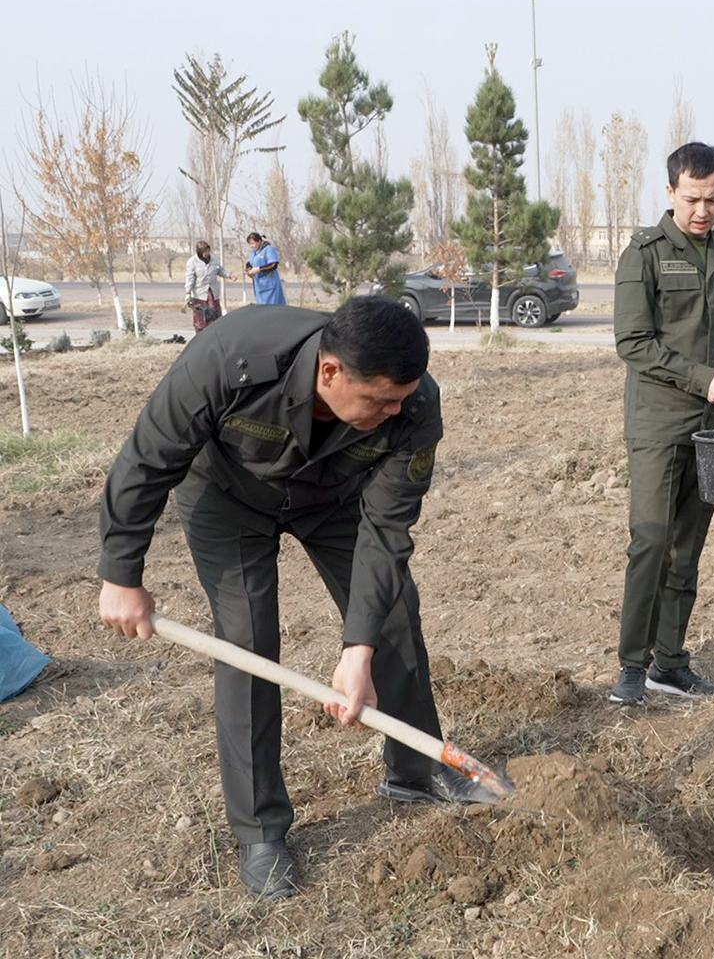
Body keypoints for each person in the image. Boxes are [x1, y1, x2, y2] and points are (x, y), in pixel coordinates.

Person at [96, 296, 491, 901]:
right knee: (248, 638)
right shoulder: (231, 357)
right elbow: (150, 457)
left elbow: (387, 534)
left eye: (401, 399)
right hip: (226, 496)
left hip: (334, 498)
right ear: (329, 373)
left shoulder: (413, 406)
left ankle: (416, 769)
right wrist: (122, 571)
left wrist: (356, 649)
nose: (393, 411)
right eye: (380, 400)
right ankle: (260, 830)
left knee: (391, 615)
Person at [610, 141, 714, 706]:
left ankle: (670, 662)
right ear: (670, 192)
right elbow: (633, 343)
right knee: (650, 543)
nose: (703, 211)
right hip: (658, 423)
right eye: (692, 199)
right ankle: (633, 665)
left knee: (688, 547)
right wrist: (700, 377)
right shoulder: (645, 253)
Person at [184, 240, 230, 332]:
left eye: (208, 251)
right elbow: (190, 278)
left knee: (215, 318)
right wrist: (188, 292)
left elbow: (220, 270)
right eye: (205, 252)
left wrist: (229, 275)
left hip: (213, 293)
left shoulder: (214, 259)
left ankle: (216, 337)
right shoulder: (192, 262)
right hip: (199, 295)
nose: (207, 254)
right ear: (199, 252)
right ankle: (201, 338)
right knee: (201, 320)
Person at [245, 231, 287, 306]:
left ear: (259, 241)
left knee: (272, 307)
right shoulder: (254, 252)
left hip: (270, 284)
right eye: (250, 244)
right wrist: (249, 270)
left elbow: (273, 265)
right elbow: (249, 262)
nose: (252, 246)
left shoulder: (268, 249)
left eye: (253, 243)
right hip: (259, 286)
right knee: (261, 308)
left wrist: (259, 269)